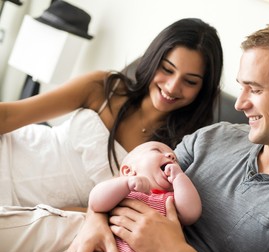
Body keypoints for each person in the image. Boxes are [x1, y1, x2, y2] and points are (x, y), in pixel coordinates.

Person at [67, 19, 269, 252]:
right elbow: (132, 185)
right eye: (241, 88)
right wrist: (94, 218)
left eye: (254, 90)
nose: (239, 104)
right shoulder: (215, 137)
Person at [0, 17, 223, 209]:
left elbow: (134, 212)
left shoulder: (176, 152)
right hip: (12, 155)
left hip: (45, 217)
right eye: (166, 69)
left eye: (190, 81)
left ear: (203, 89)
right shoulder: (104, 87)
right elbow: (10, 116)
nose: (173, 87)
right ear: (154, 59)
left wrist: (78, 214)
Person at [88, 141, 201, 252]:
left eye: (176, 160)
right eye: (157, 150)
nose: (171, 156)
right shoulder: (123, 191)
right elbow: (95, 203)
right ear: (128, 171)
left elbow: (191, 214)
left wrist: (179, 178)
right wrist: (126, 184)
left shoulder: (172, 199)